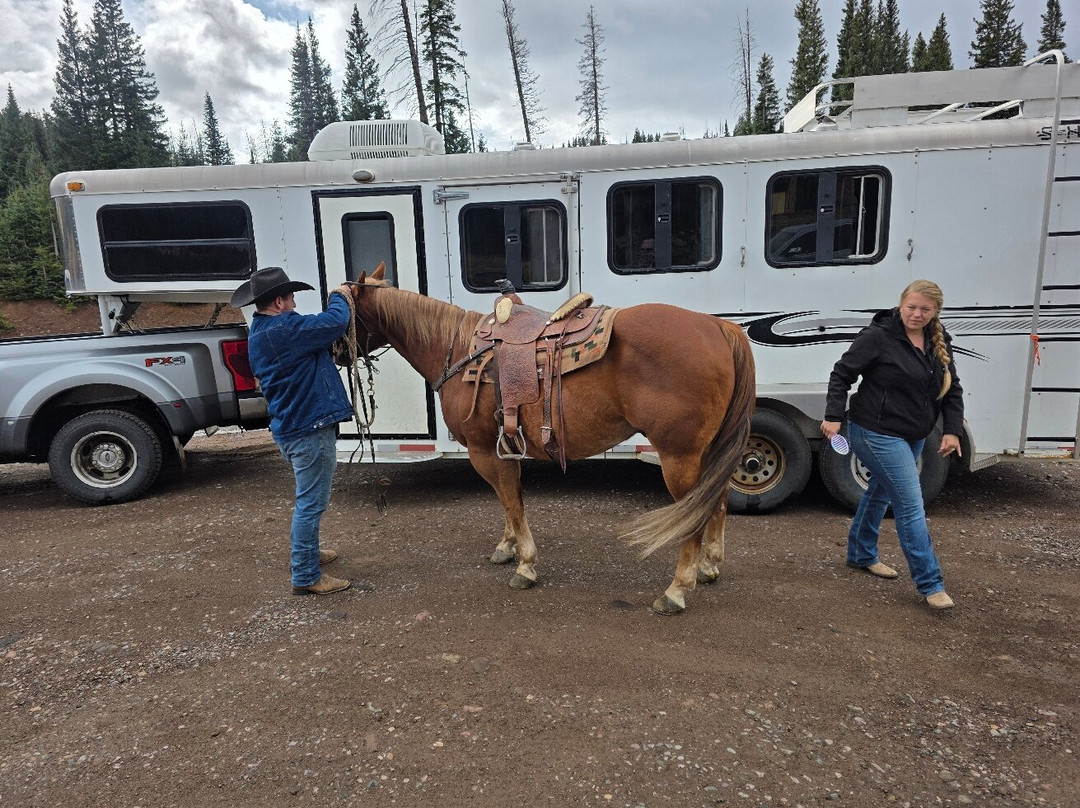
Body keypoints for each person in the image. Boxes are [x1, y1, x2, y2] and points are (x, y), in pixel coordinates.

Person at [820, 280, 964, 610]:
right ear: (901, 304)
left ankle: (860, 554)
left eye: (925, 309)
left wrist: (952, 430)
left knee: (880, 492)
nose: (916, 314)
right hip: (873, 432)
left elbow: (951, 389)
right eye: (911, 307)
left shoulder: (938, 341)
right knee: (910, 504)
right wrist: (832, 416)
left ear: (935, 312)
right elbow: (841, 374)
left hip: (913, 434)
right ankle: (931, 583)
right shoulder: (879, 337)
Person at [231, 267, 357, 596]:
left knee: (307, 501)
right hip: (308, 431)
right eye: (291, 298)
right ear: (279, 301)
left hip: (293, 429)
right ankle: (305, 575)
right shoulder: (285, 329)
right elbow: (335, 322)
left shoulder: (263, 330)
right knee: (310, 504)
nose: (295, 303)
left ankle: (309, 556)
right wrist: (340, 296)